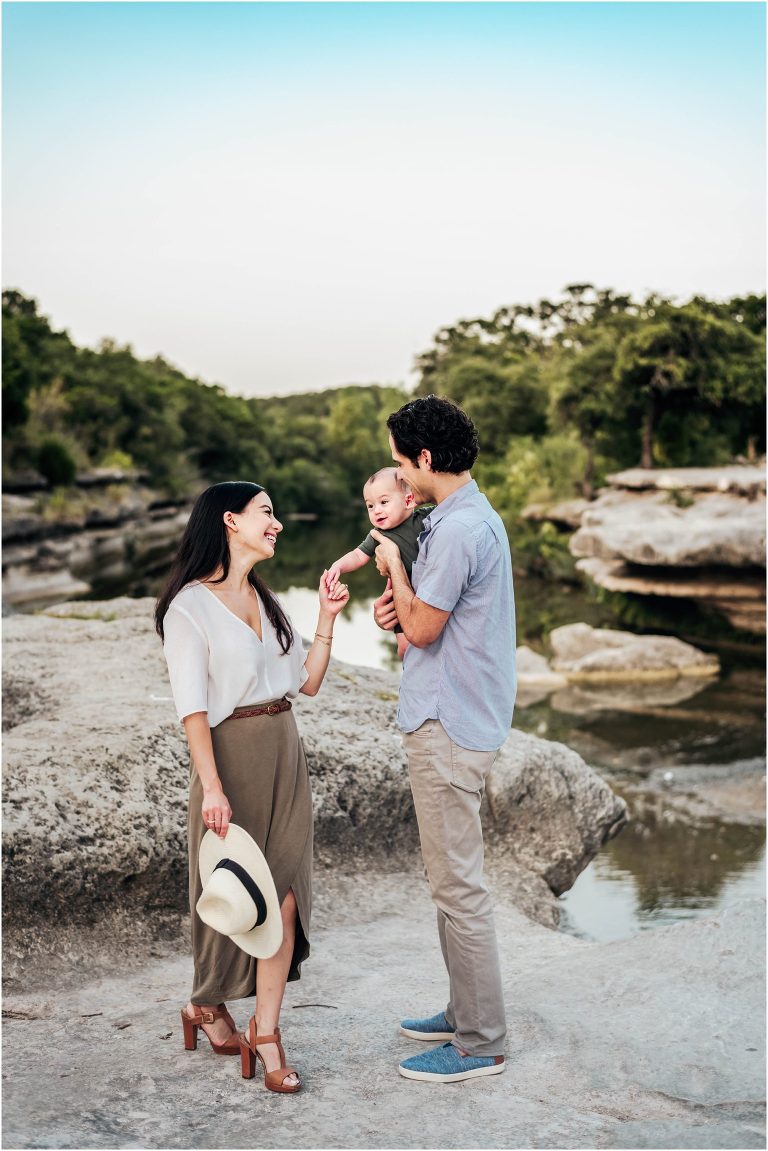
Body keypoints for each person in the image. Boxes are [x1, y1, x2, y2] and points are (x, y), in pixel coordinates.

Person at [154, 481, 349, 1094]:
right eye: (268, 512)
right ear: (230, 521)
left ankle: (266, 1033)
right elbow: (191, 708)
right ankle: (207, 1004)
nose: (278, 524)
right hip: (230, 759)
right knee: (234, 895)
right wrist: (212, 787)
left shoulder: (265, 600)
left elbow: (305, 683)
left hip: (284, 751)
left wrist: (327, 619)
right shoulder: (188, 606)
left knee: (284, 896)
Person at [371, 395, 516, 1085]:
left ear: (425, 458)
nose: (400, 475)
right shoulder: (460, 518)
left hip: (449, 724)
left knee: (458, 886)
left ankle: (480, 1040)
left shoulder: (458, 530)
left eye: (402, 462)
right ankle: (464, 1009)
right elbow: (421, 622)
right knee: (448, 881)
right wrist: (395, 607)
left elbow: (423, 629)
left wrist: (393, 572)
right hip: (451, 712)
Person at [326, 467, 432, 658]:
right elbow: (358, 555)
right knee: (405, 649)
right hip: (400, 599)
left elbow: (448, 505)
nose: (377, 511)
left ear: (408, 500)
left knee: (425, 639)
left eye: (384, 502)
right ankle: (410, 676)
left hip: (428, 594)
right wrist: (338, 566)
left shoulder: (425, 518)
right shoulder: (378, 535)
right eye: (370, 506)